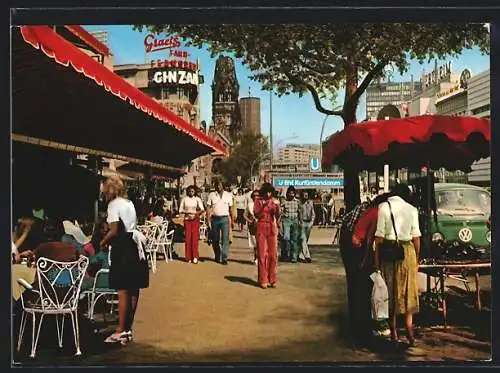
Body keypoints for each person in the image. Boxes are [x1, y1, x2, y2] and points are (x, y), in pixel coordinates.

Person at [99, 176, 149, 345]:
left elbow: (114, 230)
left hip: (122, 246)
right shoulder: (129, 203)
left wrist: (102, 242)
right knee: (134, 288)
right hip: (135, 244)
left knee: (122, 290)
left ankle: (120, 329)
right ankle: (128, 329)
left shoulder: (113, 205)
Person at [374, 183, 421, 347]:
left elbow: (378, 238)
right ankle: (409, 332)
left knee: (390, 291)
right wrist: (417, 260)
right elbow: (416, 238)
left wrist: (376, 262)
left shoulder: (383, 207)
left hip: (388, 252)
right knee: (408, 291)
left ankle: (394, 333)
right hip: (407, 252)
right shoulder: (412, 209)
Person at [253, 183, 280, 289]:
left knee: (273, 254)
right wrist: (263, 206)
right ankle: (263, 279)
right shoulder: (258, 201)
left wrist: (277, 210)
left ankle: (272, 279)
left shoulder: (274, 202)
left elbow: (277, 216)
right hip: (261, 226)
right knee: (262, 253)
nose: (268, 194)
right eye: (266, 192)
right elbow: (256, 214)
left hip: (271, 226)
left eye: (270, 192)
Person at [206, 181, 234, 265]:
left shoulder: (228, 195)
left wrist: (232, 221)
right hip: (214, 219)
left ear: (223, 186)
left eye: (220, 185)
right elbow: (208, 208)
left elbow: (231, 209)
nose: (218, 187)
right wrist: (208, 221)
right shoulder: (211, 195)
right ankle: (217, 255)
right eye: (216, 185)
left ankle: (224, 257)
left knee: (225, 239)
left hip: (225, 219)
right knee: (215, 239)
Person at [179, 185, 205, 264]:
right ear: (188, 192)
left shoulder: (197, 199)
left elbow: (202, 209)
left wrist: (196, 213)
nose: (191, 193)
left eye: (193, 191)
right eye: (190, 191)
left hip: (195, 219)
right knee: (188, 238)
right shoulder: (184, 199)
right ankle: (188, 257)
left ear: (195, 192)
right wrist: (187, 212)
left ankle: (195, 256)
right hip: (187, 219)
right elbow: (180, 210)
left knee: (194, 238)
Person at [280, 186, 300, 263]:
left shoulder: (297, 202)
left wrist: (300, 221)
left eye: (293, 193)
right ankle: (286, 255)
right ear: (288, 193)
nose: (291, 195)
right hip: (286, 220)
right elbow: (280, 211)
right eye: (290, 193)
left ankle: (294, 257)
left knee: (294, 239)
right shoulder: (284, 202)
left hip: (295, 220)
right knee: (286, 238)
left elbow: (299, 212)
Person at [298, 190, 315, 263]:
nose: (306, 196)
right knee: (303, 239)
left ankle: (301, 256)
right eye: (304, 195)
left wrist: (312, 222)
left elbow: (313, 213)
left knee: (305, 240)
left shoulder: (310, 203)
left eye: (307, 195)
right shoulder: (300, 204)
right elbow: (298, 213)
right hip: (302, 223)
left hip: (309, 223)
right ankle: (307, 256)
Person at [244, 190, 260, 265]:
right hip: (253, 227)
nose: (256, 197)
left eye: (257, 195)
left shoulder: (262, 204)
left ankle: (260, 257)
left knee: (260, 243)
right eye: (254, 196)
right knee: (255, 244)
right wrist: (250, 221)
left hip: (261, 226)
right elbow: (245, 215)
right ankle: (256, 257)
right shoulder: (249, 205)